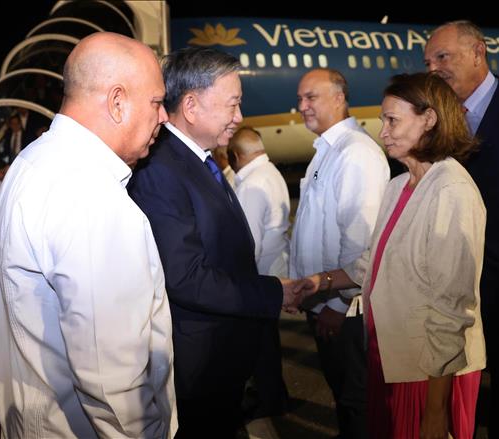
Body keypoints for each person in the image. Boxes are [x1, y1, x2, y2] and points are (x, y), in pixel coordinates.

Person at [0, 32, 176, 438]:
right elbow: (112, 384)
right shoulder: (89, 194)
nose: (164, 117)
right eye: (156, 102)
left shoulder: (35, 160)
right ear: (117, 101)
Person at [298, 72, 487, 438]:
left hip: (429, 375)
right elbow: (371, 262)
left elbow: (450, 309)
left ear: (429, 119)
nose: (382, 131)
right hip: (391, 360)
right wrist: (318, 282)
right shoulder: (399, 185)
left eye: (392, 121)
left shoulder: (451, 191)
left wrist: (435, 411)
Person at [127, 46, 299, 439]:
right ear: (191, 106)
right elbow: (185, 276)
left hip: (219, 357)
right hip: (199, 367)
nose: (239, 117)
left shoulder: (195, 160)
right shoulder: (161, 170)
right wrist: (273, 292)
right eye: (232, 104)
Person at [424, 20, 499, 438]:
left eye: (443, 56)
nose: (433, 68)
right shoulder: (437, 120)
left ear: (478, 52)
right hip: (455, 289)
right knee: (460, 392)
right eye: (428, 61)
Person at [290, 67, 390, 437]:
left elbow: (361, 242)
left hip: (344, 310)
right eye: (300, 99)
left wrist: (337, 304)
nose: (302, 106)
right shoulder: (329, 150)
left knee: (356, 401)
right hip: (325, 301)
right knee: (345, 396)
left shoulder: (356, 153)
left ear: (339, 98)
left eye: (310, 97)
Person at [228, 126, 291, 419]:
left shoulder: (251, 184)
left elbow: (248, 244)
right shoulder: (270, 172)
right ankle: (274, 397)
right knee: (267, 343)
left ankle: (270, 400)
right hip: (272, 271)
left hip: (259, 276)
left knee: (261, 345)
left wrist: (238, 286)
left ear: (237, 155)